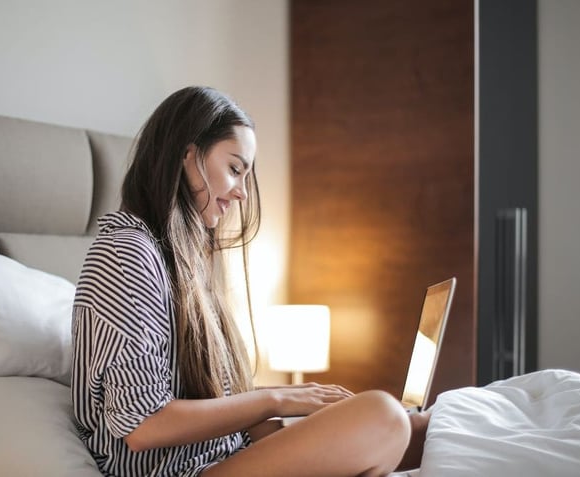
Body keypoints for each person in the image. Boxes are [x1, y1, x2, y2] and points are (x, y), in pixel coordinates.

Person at [71, 86, 429, 477]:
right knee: (383, 416)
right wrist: (274, 399)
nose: (242, 192)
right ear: (187, 154)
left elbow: (221, 401)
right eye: (234, 169)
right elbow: (143, 425)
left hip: (227, 458)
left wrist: (297, 406)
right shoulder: (126, 253)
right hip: (178, 472)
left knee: (426, 430)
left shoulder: (187, 259)